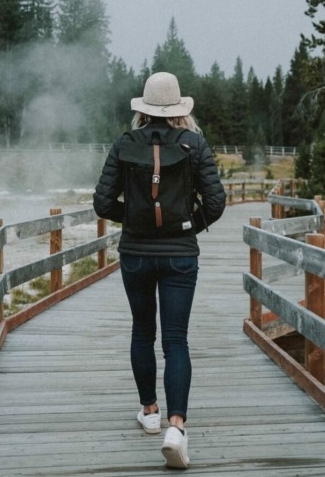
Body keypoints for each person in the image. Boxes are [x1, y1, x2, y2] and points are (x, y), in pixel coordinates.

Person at [93, 71, 226, 468]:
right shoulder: (195, 144)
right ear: (178, 110)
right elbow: (216, 203)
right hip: (181, 255)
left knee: (142, 331)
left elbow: (102, 203)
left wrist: (134, 220)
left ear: (145, 110)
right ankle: (176, 427)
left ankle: (149, 412)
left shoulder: (124, 144)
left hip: (135, 253)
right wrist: (186, 224)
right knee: (176, 340)